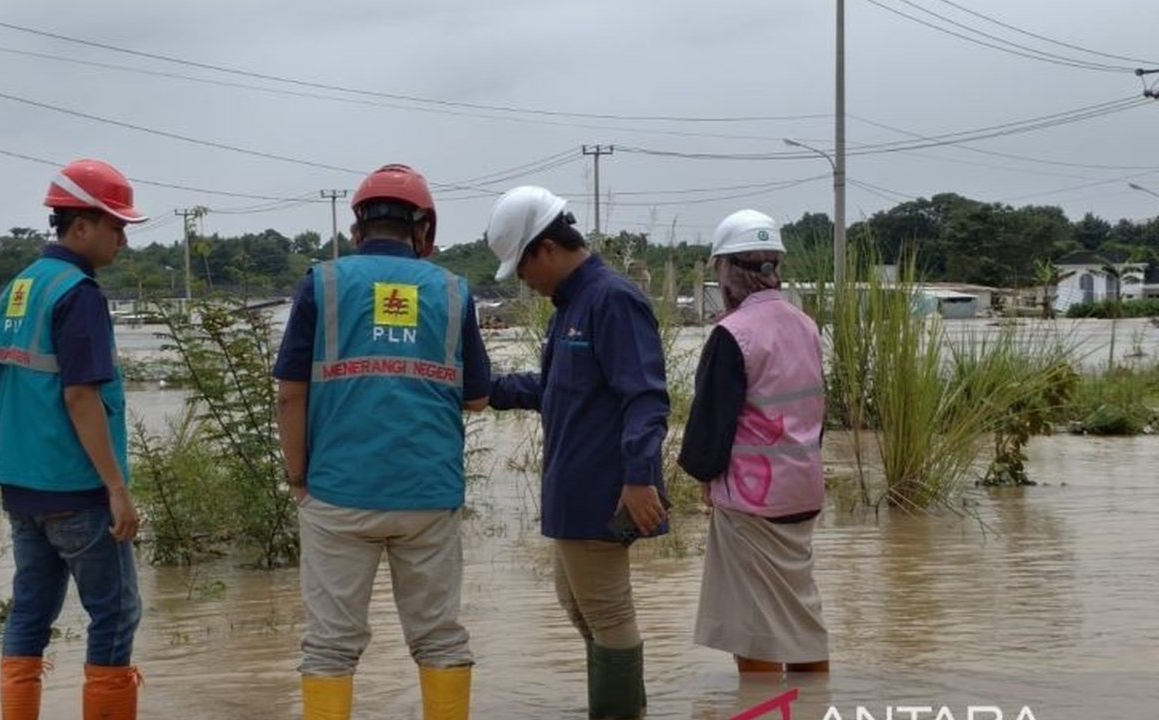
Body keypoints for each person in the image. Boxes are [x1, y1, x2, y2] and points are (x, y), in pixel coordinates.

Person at [273, 163, 491, 720]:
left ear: (357, 228)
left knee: (330, 647)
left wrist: (299, 480)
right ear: (424, 229)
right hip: (429, 496)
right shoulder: (453, 291)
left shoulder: (322, 284)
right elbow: (476, 398)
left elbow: (290, 396)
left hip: (337, 493)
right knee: (439, 638)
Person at [484, 186, 670, 720]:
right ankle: (620, 706)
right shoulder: (572, 307)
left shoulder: (611, 300)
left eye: (522, 268)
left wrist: (638, 477)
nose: (524, 281)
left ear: (546, 248)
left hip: (603, 488)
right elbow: (556, 390)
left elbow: (645, 396)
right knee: (579, 604)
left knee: (608, 612)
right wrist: (488, 390)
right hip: (574, 489)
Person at [0, 159, 147, 720]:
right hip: (76, 488)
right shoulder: (78, 294)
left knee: (30, 614)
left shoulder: (18, 288)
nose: (123, 239)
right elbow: (81, 397)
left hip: (21, 485)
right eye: (116, 226)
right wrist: (117, 489)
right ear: (81, 226)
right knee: (116, 614)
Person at [677, 209, 830, 675]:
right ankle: (813, 703)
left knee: (755, 630)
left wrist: (704, 475)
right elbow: (816, 409)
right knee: (801, 623)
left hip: (752, 501)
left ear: (727, 270)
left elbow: (711, 422)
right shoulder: (805, 325)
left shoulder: (733, 334)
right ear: (772, 266)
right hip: (803, 490)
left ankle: (761, 704)